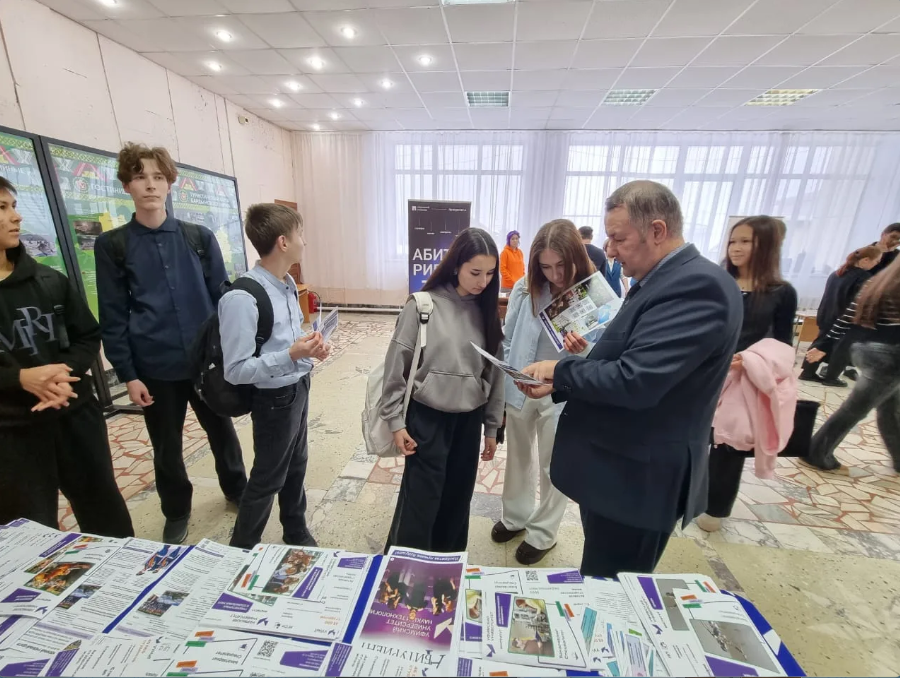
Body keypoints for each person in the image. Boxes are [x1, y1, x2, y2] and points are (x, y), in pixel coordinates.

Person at [519, 181, 742, 577]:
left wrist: (559, 370)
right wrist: (561, 384)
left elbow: (636, 379)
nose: (609, 250)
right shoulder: (660, 280)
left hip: (639, 482)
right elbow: (626, 359)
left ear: (657, 230)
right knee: (602, 575)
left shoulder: (696, 286)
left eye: (619, 238)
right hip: (618, 472)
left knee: (615, 590)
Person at [95, 143, 247, 545]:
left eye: (158, 177)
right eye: (140, 177)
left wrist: (236, 353)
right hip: (154, 365)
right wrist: (128, 374)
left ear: (169, 183)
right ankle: (176, 509)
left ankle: (237, 489)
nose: (150, 185)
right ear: (127, 185)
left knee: (222, 432)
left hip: (206, 363)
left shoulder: (198, 238)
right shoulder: (113, 246)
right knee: (166, 446)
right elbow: (113, 315)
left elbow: (224, 300)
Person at [0, 175, 133, 537]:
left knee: (103, 509)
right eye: (2, 208)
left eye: (14, 206)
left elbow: (87, 335)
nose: (16, 217)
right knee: (26, 527)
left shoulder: (48, 281)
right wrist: (20, 379)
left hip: (74, 414)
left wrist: (60, 375)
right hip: (12, 430)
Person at [381, 228, 504, 553]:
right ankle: (406, 570)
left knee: (457, 502)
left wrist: (492, 427)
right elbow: (396, 366)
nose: (483, 281)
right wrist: (395, 422)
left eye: (490, 273)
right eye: (475, 272)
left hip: (468, 420)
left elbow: (495, 373)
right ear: (456, 265)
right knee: (420, 502)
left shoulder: (487, 311)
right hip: (427, 418)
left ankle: (446, 570)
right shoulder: (423, 306)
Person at [219, 204, 330, 550]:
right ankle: (240, 550)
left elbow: (287, 339)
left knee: (297, 464)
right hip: (273, 399)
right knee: (267, 478)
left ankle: (295, 529)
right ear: (283, 242)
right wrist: (292, 355)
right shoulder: (242, 297)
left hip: (298, 386)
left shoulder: (286, 284)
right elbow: (236, 370)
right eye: (300, 235)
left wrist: (310, 349)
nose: (304, 242)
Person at [491, 219, 593, 565]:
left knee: (554, 465)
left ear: (576, 256)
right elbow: (508, 336)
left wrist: (583, 349)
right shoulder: (526, 286)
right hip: (522, 384)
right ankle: (515, 516)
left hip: (562, 391)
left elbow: (603, 357)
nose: (554, 274)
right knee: (518, 456)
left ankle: (543, 533)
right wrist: (508, 379)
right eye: (546, 266)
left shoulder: (592, 292)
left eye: (561, 265)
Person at [695, 216, 798, 533]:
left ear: (766, 246)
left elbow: (783, 345)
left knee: (729, 446)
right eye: (732, 241)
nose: (735, 248)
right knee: (694, 437)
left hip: (744, 381)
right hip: (705, 373)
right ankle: (685, 495)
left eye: (745, 241)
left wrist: (750, 360)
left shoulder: (781, 292)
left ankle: (715, 507)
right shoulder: (716, 282)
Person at [805, 257, 900, 473]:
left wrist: (824, 344)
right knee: (856, 408)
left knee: (890, 407)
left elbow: (846, 317)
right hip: (891, 356)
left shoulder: (877, 281)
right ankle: (817, 452)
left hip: (865, 350)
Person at [799, 246, 882, 385]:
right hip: (844, 318)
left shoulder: (837, 273)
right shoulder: (864, 277)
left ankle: (807, 372)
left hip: (827, 314)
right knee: (842, 349)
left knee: (820, 342)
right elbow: (858, 302)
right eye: (876, 261)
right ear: (866, 260)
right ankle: (831, 377)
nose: (876, 264)